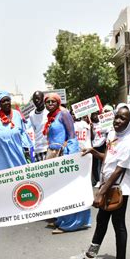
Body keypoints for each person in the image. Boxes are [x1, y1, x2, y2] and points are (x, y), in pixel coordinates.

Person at [70, 103, 130, 259]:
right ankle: (90, 255)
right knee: (101, 220)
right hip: (106, 186)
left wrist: (101, 192)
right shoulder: (113, 135)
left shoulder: (129, 143)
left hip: (118, 189)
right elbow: (108, 159)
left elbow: (119, 170)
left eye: (123, 118)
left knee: (119, 225)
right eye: (117, 116)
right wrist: (94, 151)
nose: (117, 121)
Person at [42, 93, 90, 234]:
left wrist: (68, 157)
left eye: (53, 101)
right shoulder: (52, 116)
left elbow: (72, 136)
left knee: (67, 189)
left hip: (64, 156)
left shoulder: (64, 114)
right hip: (54, 155)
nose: (50, 103)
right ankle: (62, 219)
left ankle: (71, 223)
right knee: (58, 189)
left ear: (58, 102)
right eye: (47, 102)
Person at [0, 91, 30, 171]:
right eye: (3, 101)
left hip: (17, 151)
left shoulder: (17, 114)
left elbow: (23, 132)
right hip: (2, 153)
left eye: (8, 100)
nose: (7, 102)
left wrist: (26, 149)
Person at [28, 91, 48, 162]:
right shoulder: (31, 115)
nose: (36, 101)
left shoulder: (49, 111)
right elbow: (35, 130)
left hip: (49, 148)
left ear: (43, 99)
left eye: (38, 98)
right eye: (34, 99)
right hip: (38, 149)